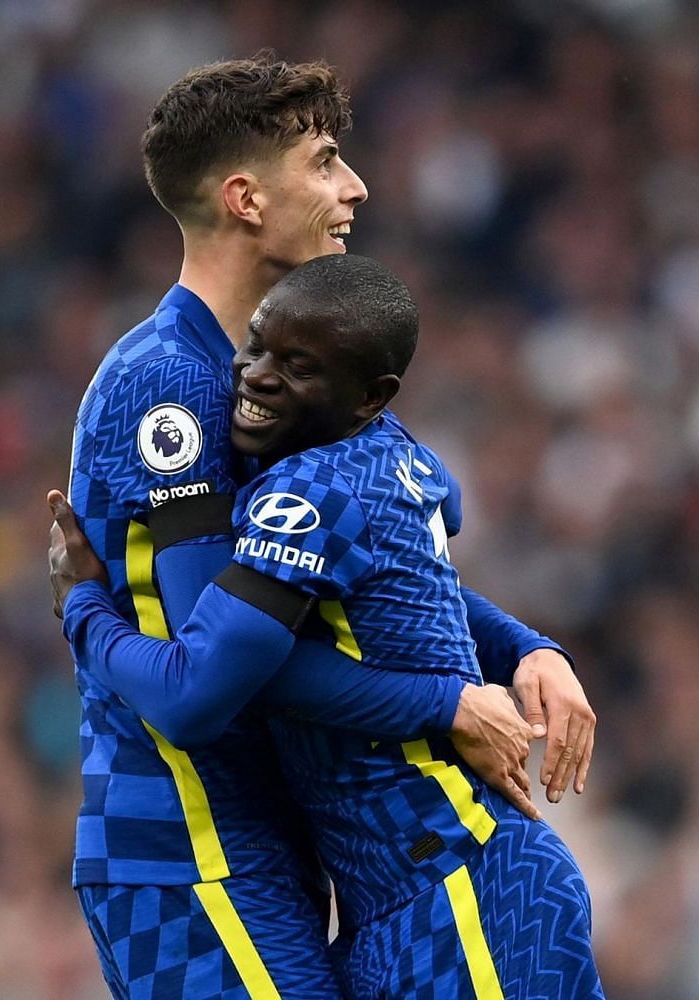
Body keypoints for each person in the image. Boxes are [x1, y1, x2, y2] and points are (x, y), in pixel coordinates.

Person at [56, 54, 595, 998]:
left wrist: (521, 650)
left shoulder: (278, 384)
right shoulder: (172, 384)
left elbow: (351, 569)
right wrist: (444, 704)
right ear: (244, 198)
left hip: (263, 836)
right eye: (325, 162)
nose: (356, 187)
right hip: (187, 849)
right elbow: (213, 662)